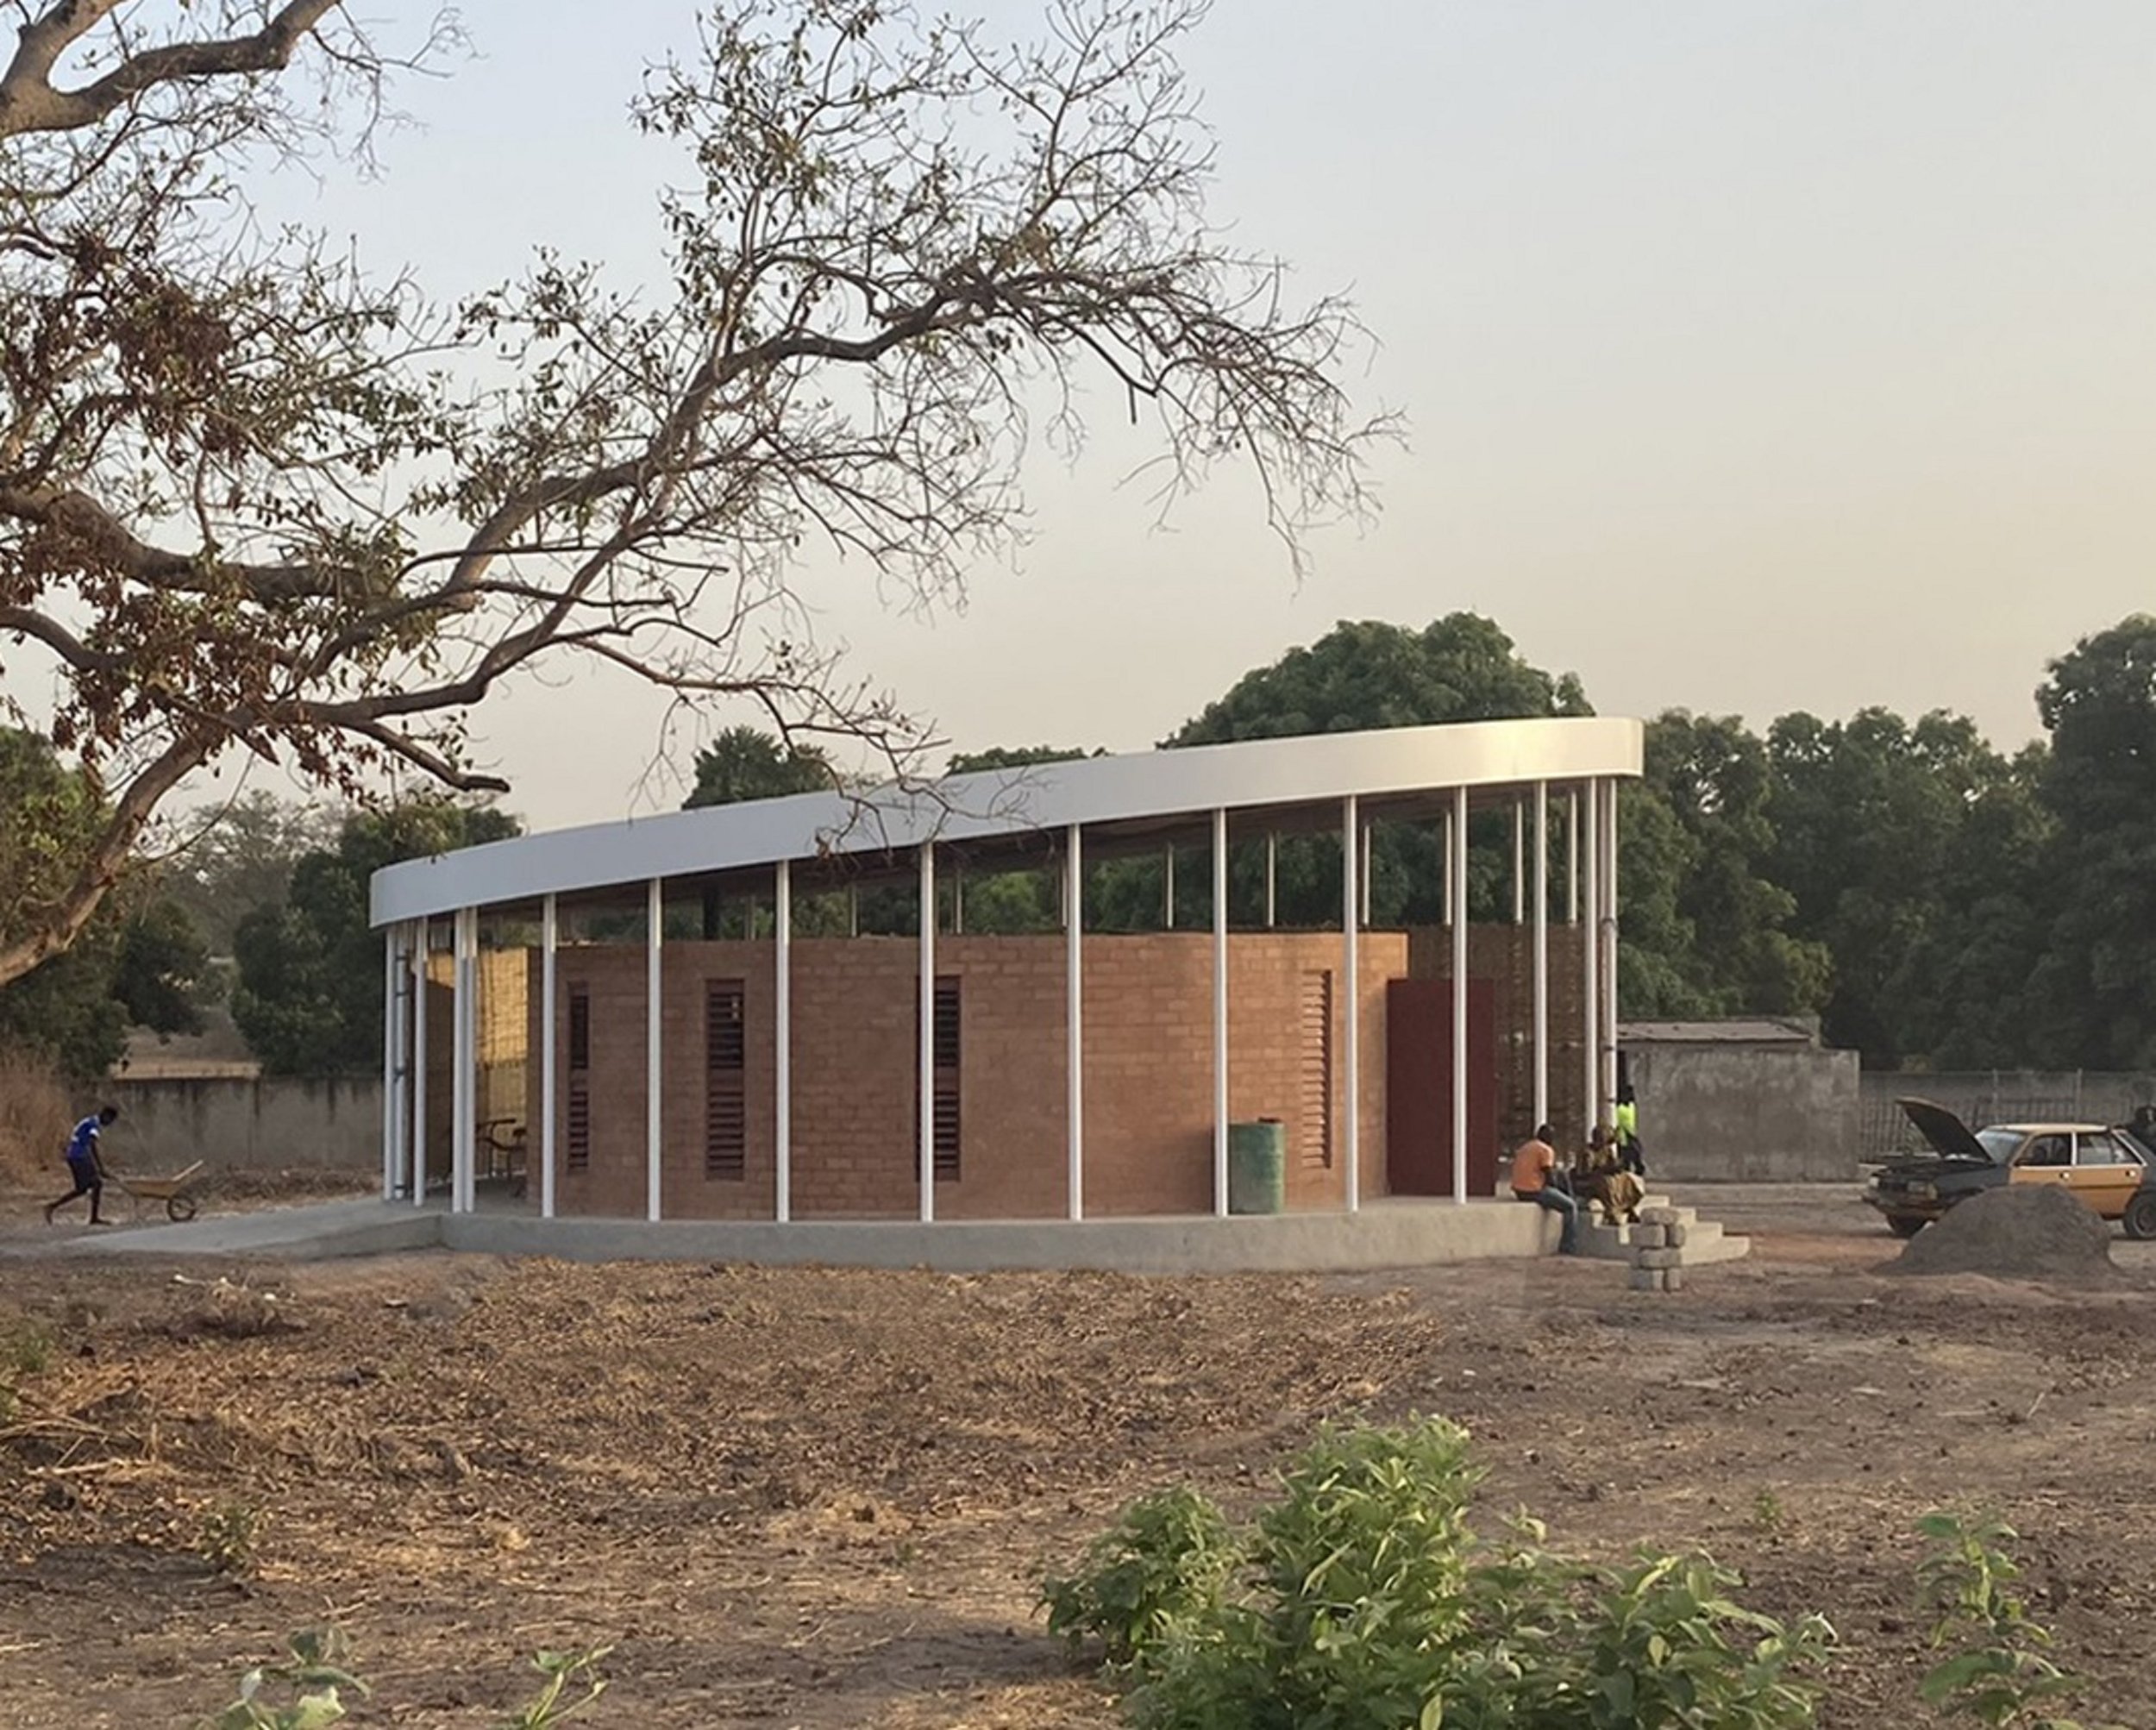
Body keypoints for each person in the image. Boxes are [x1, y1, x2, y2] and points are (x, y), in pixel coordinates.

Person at [1509, 1122, 1578, 1255]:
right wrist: (1561, 1191)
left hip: (1519, 1191)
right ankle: (1568, 1247)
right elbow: (1549, 1176)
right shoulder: (1545, 1150)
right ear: (1549, 1138)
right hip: (1534, 1191)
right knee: (1570, 1206)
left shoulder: (1526, 1147)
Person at [45, 1106, 117, 1226]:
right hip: (78, 1156)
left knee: (82, 1188)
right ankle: (93, 1218)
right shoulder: (94, 1125)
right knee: (97, 1183)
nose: (109, 1124)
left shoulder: (90, 1121)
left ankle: (52, 1207)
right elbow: (92, 1145)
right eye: (110, 1121)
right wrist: (100, 1167)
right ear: (106, 1116)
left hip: (75, 1155)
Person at [1614, 1086, 1647, 1177]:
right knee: (1630, 1157)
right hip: (1626, 1137)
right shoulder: (1626, 1108)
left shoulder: (1626, 1108)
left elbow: (1627, 1123)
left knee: (1630, 1157)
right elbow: (1625, 1124)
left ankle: (1633, 1172)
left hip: (1628, 1136)